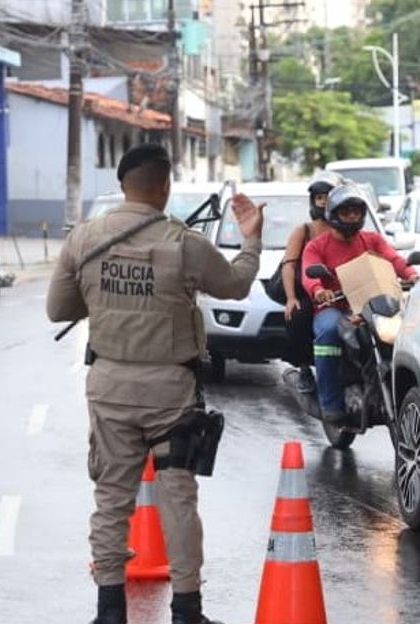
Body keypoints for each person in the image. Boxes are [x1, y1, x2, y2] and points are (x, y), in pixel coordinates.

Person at [46, 143, 263, 624]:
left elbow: (58, 310)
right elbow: (236, 284)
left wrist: (103, 297)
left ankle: (109, 611)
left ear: (122, 184)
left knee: (111, 500)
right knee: (179, 497)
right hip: (172, 393)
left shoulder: (84, 239)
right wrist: (251, 240)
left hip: (110, 388)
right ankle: (187, 609)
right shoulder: (184, 243)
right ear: (164, 187)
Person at [301, 184, 417, 424]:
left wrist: (411, 274)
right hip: (334, 308)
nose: (352, 216)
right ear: (333, 214)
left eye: (356, 211)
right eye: (346, 212)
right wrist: (319, 290)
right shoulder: (317, 246)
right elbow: (307, 274)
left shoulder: (373, 240)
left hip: (370, 305)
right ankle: (330, 403)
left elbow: (394, 259)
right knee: (329, 332)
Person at [279, 175, 337, 395]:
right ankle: (304, 369)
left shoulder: (342, 229)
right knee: (299, 317)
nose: (323, 202)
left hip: (341, 293)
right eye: (319, 198)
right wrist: (291, 298)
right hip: (309, 292)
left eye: (327, 198)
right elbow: (289, 266)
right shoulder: (303, 230)